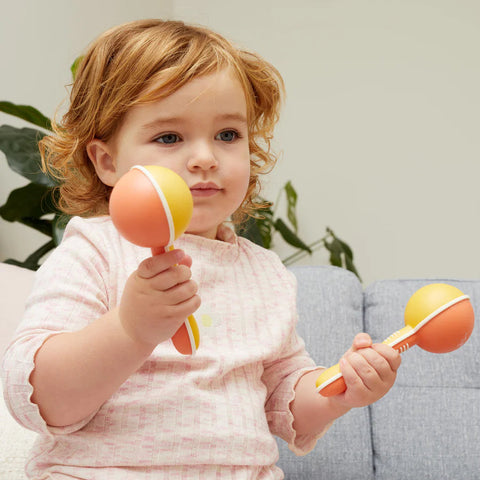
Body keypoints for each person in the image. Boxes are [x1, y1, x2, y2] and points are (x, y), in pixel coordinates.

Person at [1, 19, 401, 479]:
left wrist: (343, 388)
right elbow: (36, 396)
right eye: (169, 137)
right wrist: (130, 329)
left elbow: (285, 399)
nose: (206, 157)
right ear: (107, 162)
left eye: (228, 134)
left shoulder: (264, 273)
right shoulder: (95, 250)